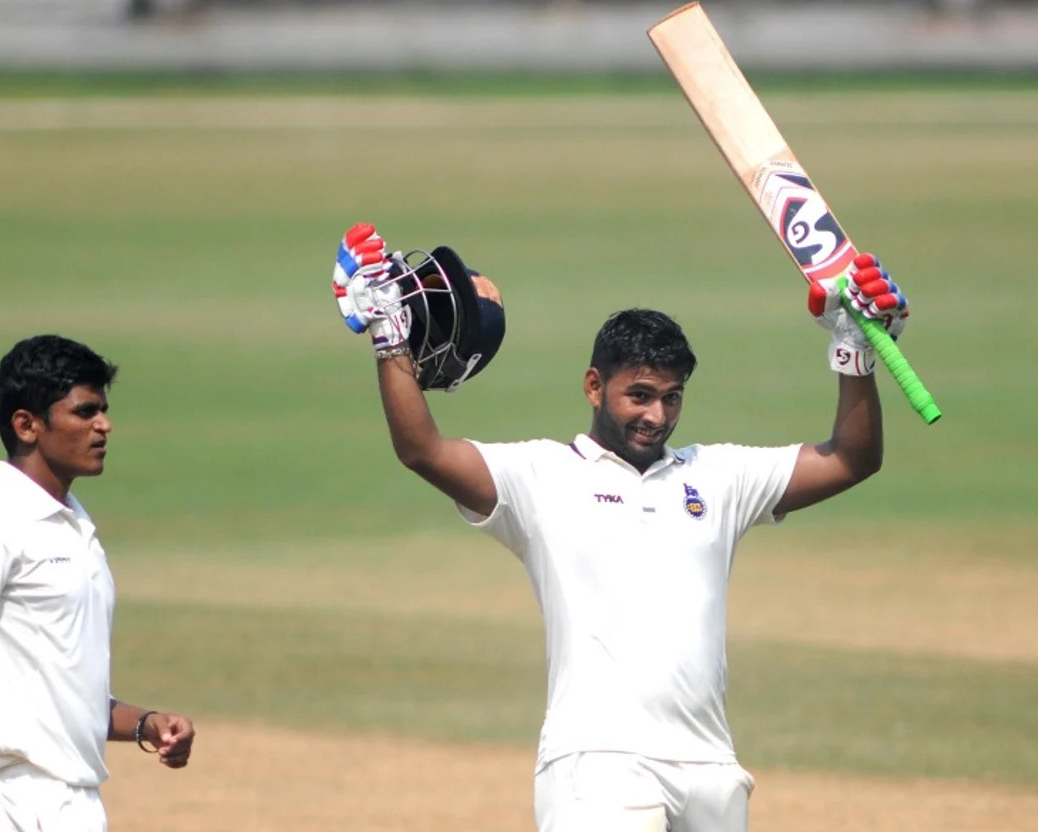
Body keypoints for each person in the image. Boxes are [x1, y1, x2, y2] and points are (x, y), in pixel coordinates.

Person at [329, 224, 908, 832]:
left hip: (709, 765)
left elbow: (851, 458)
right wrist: (389, 339)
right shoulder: (541, 475)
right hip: (597, 766)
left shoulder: (718, 476)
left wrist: (854, 348)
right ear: (593, 386)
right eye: (639, 395)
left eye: (671, 397)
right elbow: (422, 449)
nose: (656, 415)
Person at [0, 334, 196, 832]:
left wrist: (147, 724)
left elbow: (65, 694)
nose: (104, 425)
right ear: (27, 425)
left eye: (103, 410)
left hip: (76, 805)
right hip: (9, 803)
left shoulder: (77, 530)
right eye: (85, 412)